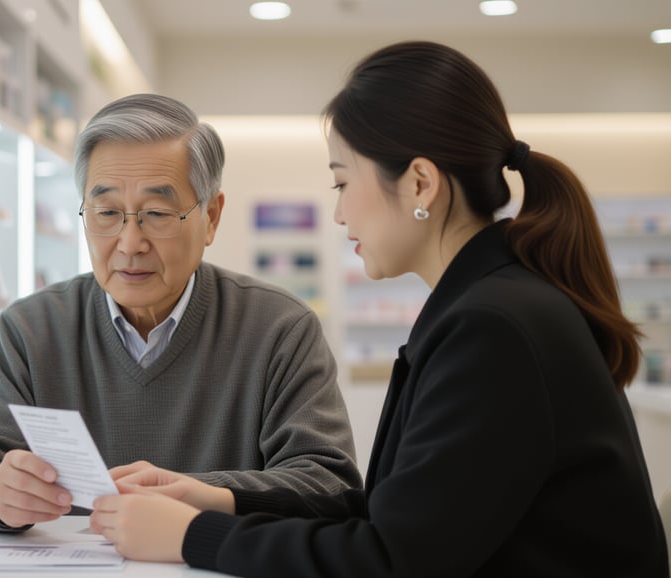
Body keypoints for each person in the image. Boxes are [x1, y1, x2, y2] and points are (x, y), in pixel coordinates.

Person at [89, 41, 670, 577]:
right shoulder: (489, 306)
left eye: (342, 183)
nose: (340, 215)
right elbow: (408, 517)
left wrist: (196, 536)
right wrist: (222, 499)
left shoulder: (494, 327)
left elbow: (391, 561)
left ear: (420, 184)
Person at [0, 93, 362, 532]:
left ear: (211, 216)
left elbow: (329, 484)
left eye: (156, 213)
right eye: (108, 212)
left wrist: (200, 496)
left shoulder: (279, 329)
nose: (130, 242)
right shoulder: (32, 329)